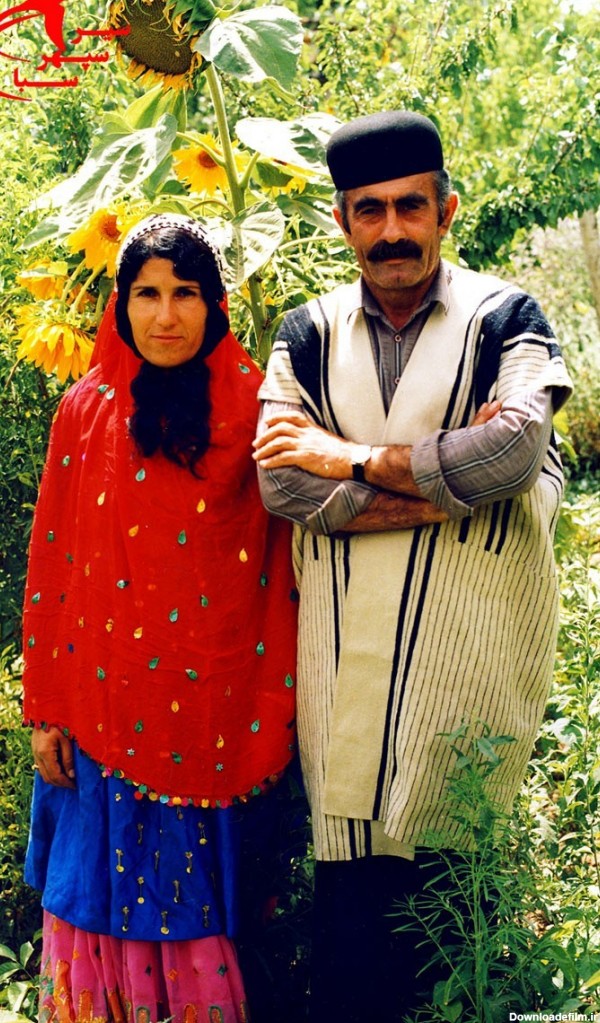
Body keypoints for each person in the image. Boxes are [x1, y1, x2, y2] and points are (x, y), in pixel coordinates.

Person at [253, 110, 573, 1021]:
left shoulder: (505, 316)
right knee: (352, 937)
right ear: (343, 221)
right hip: (344, 672)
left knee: (456, 921)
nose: (391, 229)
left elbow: (513, 452)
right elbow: (280, 481)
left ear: (446, 211)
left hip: (463, 662)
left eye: (410, 206)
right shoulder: (308, 332)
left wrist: (347, 456)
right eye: (370, 209)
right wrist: (443, 487)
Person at [22, 213, 298, 1023]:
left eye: (186, 293)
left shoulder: (256, 413)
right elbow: (53, 564)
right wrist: (46, 708)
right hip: (95, 714)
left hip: (207, 720)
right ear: (121, 304)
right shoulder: (85, 411)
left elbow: (290, 554)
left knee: (196, 916)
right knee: (91, 902)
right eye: (147, 294)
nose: (166, 315)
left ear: (215, 304)